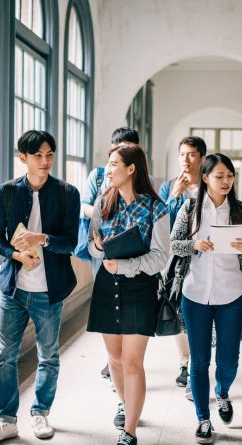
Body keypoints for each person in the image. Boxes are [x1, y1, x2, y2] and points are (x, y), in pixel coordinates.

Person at [0, 130, 80, 443]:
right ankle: (6, 419)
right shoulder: (5, 193)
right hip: (13, 289)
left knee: (48, 356)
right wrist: (16, 253)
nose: (45, 161)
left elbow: (71, 243)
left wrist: (43, 239)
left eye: (50, 154)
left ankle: (40, 414)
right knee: (5, 357)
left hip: (49, 292)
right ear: (23, 158)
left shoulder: (67, 193)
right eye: (37, 155)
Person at [87, 143, 169, 445]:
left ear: (131, 168)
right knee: (115, 360)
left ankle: (129, 432)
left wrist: (125, 266)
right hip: (107, 285)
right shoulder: (102, 203)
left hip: (140, 288)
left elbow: (160, 257)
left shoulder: (155, 208)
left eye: (113, 164)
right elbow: (91, 248)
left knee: (133, 362)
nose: (107, 170)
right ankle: (125, 404)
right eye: (107, 164)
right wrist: (98, 247)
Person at [170, 153, 242, 445]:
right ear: (205, 178)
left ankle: (222, 392)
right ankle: (203, 419)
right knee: (199, 361)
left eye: (230, 176)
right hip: (195, 294)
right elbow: (174, 244)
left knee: (229, 360)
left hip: (232, 293)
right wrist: (194, 244)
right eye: (220, 176)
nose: (226, 181)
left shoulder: (241, 211)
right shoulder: (190, 210)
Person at [81, 127, 140, 383]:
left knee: (130, 303)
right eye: (119, 150)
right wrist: (100, 213)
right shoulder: (98, 176)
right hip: (103, 247)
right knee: (107, 299)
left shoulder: (140, 180)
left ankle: (127, 356)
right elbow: (84, 205)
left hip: (132, 252)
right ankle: (113, 357)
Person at [159, 136, 206, 399]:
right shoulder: (169, 187)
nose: (185, 160)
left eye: (191, 155)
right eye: (182, 155)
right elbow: (161, 223)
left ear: (201, 158)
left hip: (204, 256)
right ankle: (184, 362)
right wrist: (174, 196)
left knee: (199, 311)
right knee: (179, 310)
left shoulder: (210, 185)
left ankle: (197, 363)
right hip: (177, 258)